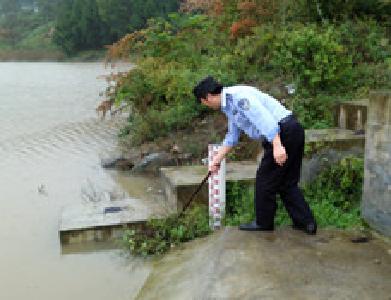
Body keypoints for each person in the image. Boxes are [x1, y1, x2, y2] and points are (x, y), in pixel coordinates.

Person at [193, 76, 317, 234]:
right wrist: (217, 159)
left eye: (204, 102)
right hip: (291, 130)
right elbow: (232, 136)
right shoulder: (229, 104)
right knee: (287, 182)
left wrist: (277, 145)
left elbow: (264, 120)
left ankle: (263, 223)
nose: (206, 106)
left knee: (265, 180)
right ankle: (306, 223)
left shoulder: (239, 98)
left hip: (282, 133)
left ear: (208, 97)